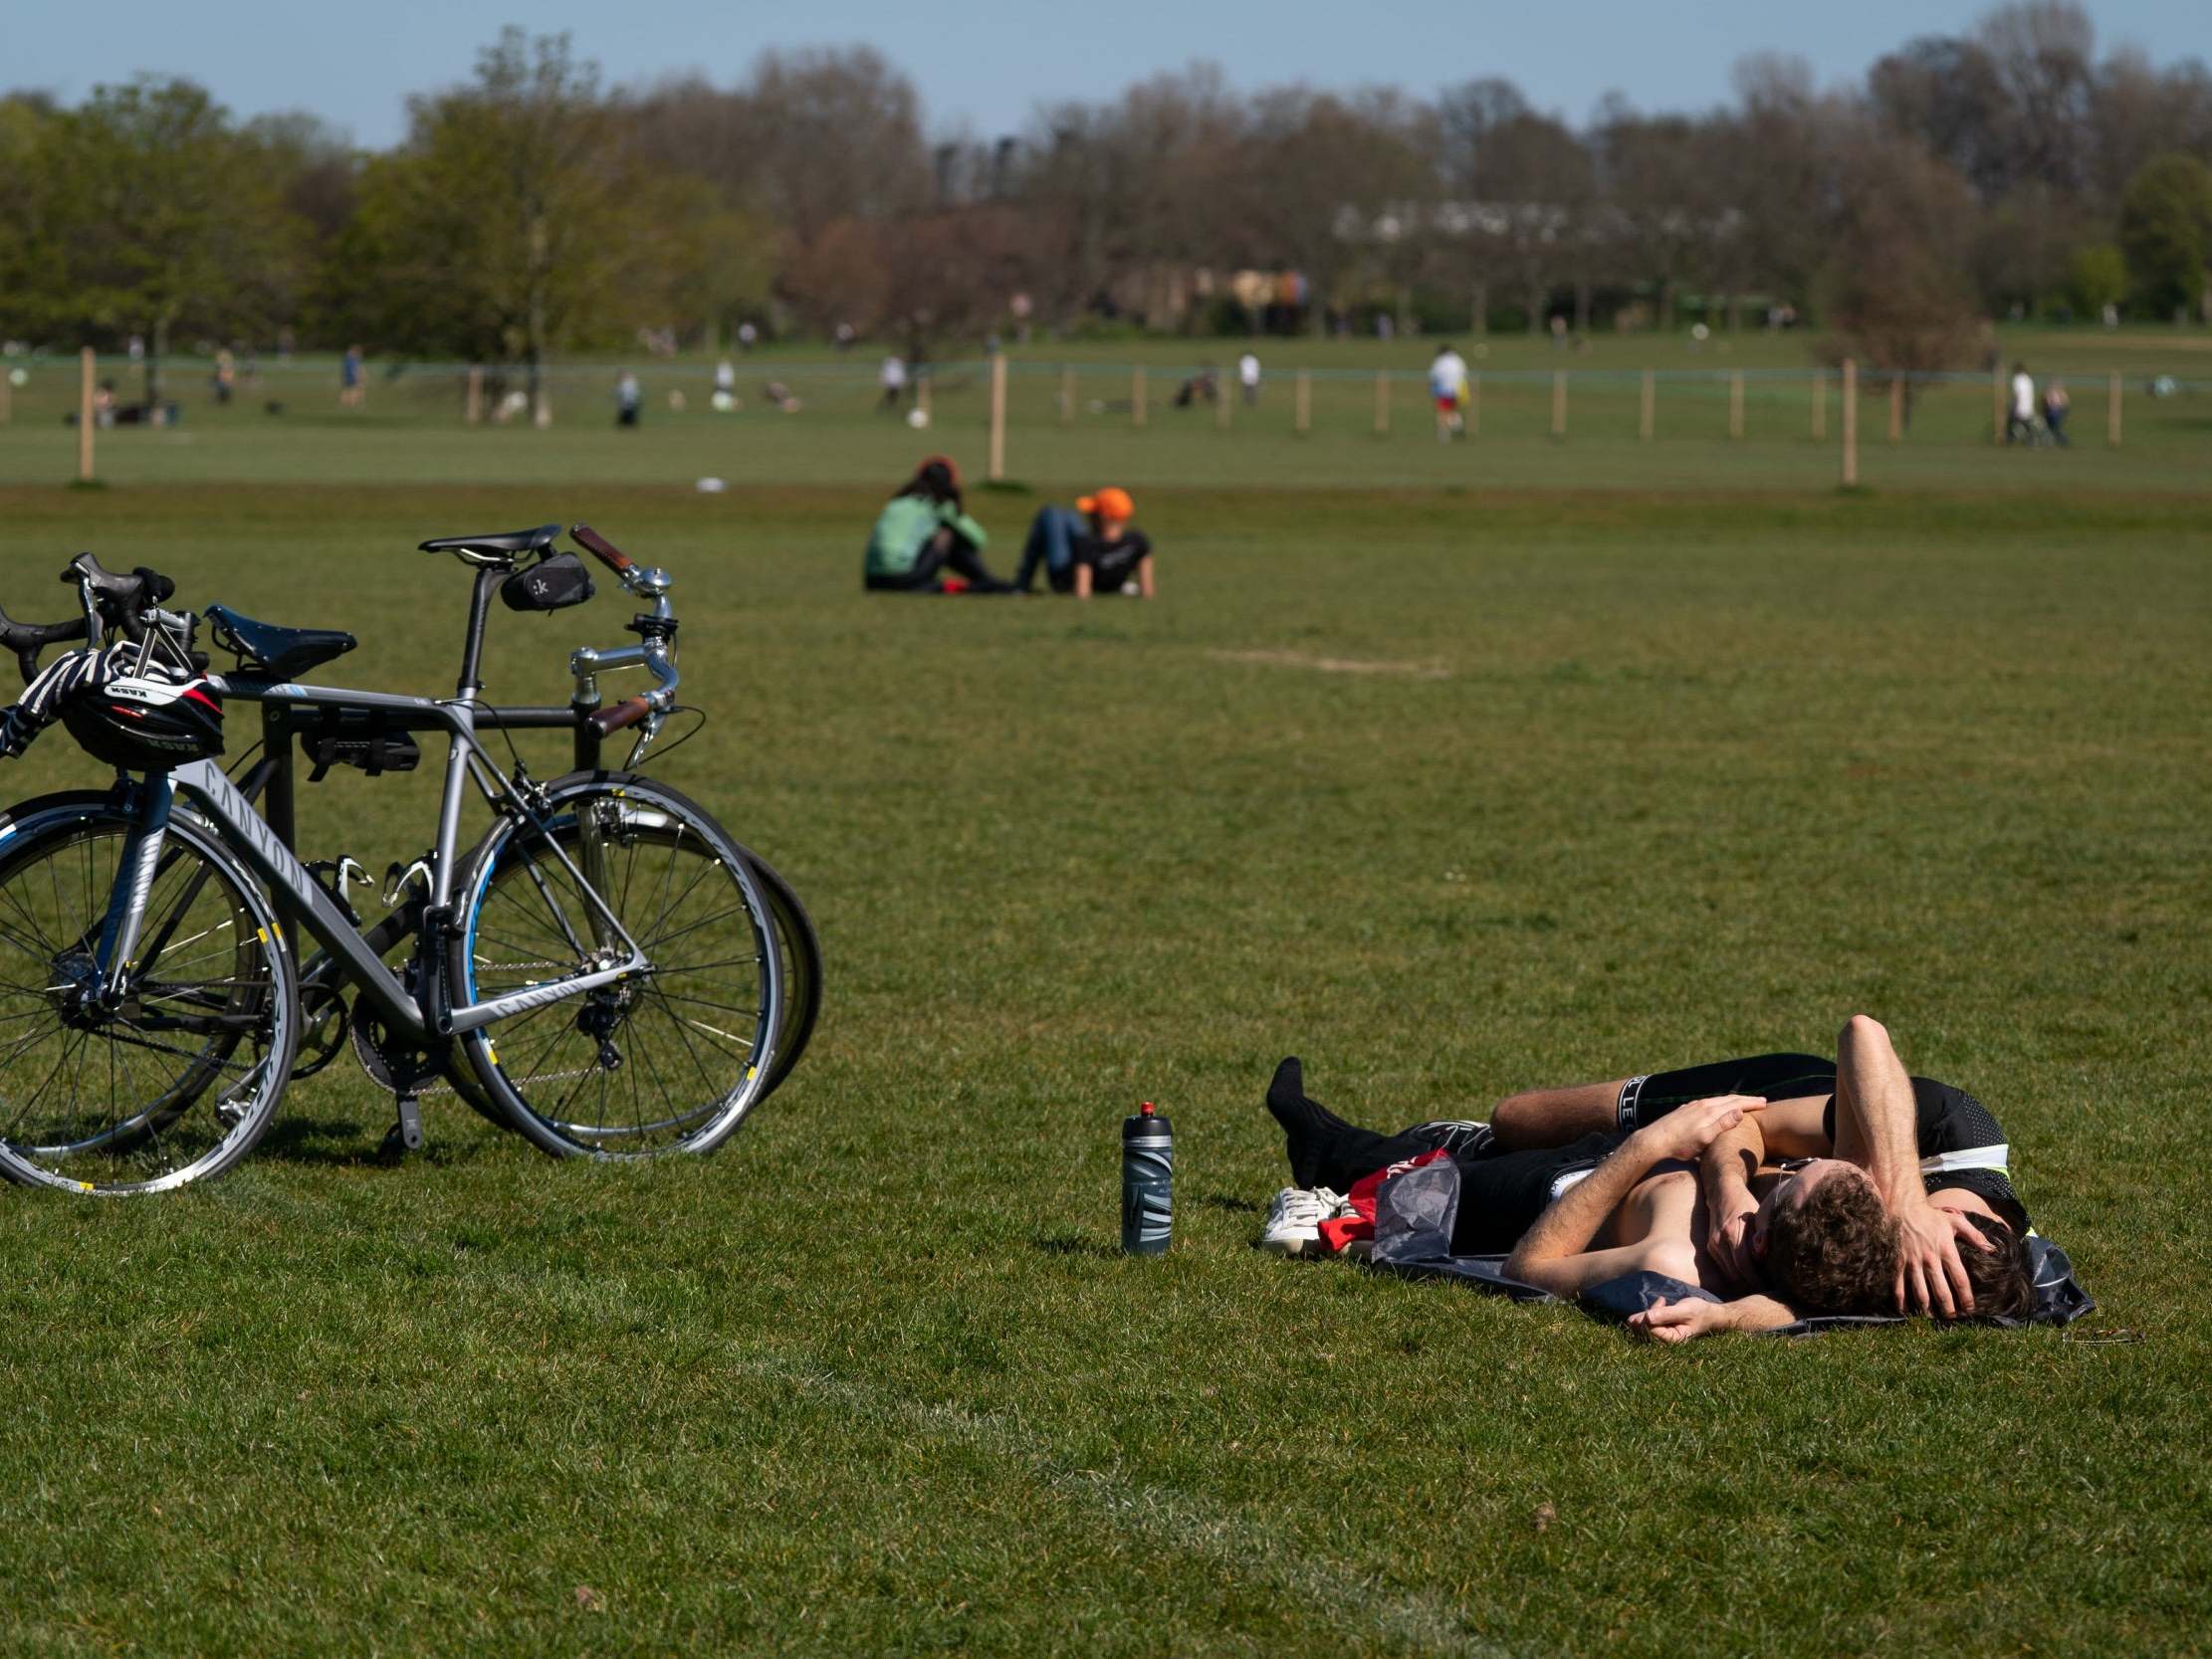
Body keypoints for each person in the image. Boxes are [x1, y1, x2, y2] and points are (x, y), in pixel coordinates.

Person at [1263, 1016, 2033, 1336]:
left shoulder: (1838, 1251)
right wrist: (1734, 1183)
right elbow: (1861, 1036)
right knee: (1518, 1117)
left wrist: (1726, 1315)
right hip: (1762, 1106)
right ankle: (1468, 1139)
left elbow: (1799, 1311)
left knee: (1489, 1159)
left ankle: (1385, 1153)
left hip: (1627, 1169)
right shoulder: (1918, 1152)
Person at [862, 456, 1014, 594]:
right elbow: (980, 539)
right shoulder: (938, 505)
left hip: (873, 580)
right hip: (904, 579)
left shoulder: (897, 502)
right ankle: (986, 582)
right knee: (946, 535)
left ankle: (985, 582)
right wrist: (953, 514)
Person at [1011, 488, 1154, 598]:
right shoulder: (1137, 541)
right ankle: (1021, 585)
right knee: (1068, 515)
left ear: (1102, 517)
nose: (1088, 515)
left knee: (1051, 514)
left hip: (1063, 577)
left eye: (1092, 512)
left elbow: (1082, 591)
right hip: (1106, 582)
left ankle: (1022, 584)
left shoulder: (1087, 544)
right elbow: (1147, 590)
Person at [1429, 343, 1469, 441]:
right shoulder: (1459, 360)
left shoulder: (1440, 361)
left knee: (1442, 412)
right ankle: (1457, 424)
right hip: (1458, 390)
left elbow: (1433, 375)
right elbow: (1464, 374)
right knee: (1450, 411)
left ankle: (1444, 435)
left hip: (1444, 390)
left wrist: (1433, 389)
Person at [2007, 361, 2036, 444]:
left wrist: (2013, 406)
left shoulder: (2017, 379)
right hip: (2029, 407)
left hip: (2020, 407)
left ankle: (2011, 439)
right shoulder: (2028, 379)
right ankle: (2029, 439)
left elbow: (2017, 395)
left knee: (2011, 423)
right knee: (2026, 424)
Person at [2043, 379, 2071, 447]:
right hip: (2058, 412)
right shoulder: (2060, 392)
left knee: (2055, 429)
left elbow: (2048, 403)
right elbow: (2066, 402)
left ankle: (2064, 441)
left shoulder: (2050, 392)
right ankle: (2054, 441)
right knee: (2053, 428)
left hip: (2054, 413)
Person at [339, 344, 364, 408]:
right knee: (354, 390)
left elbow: (344, 369)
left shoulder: (347, 358)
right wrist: (358, 377)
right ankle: (352, 403)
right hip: (352, 376)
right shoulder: (353, 360)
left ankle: (345, 403)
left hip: (346, 376)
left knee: (346, 390)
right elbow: (355, 369)